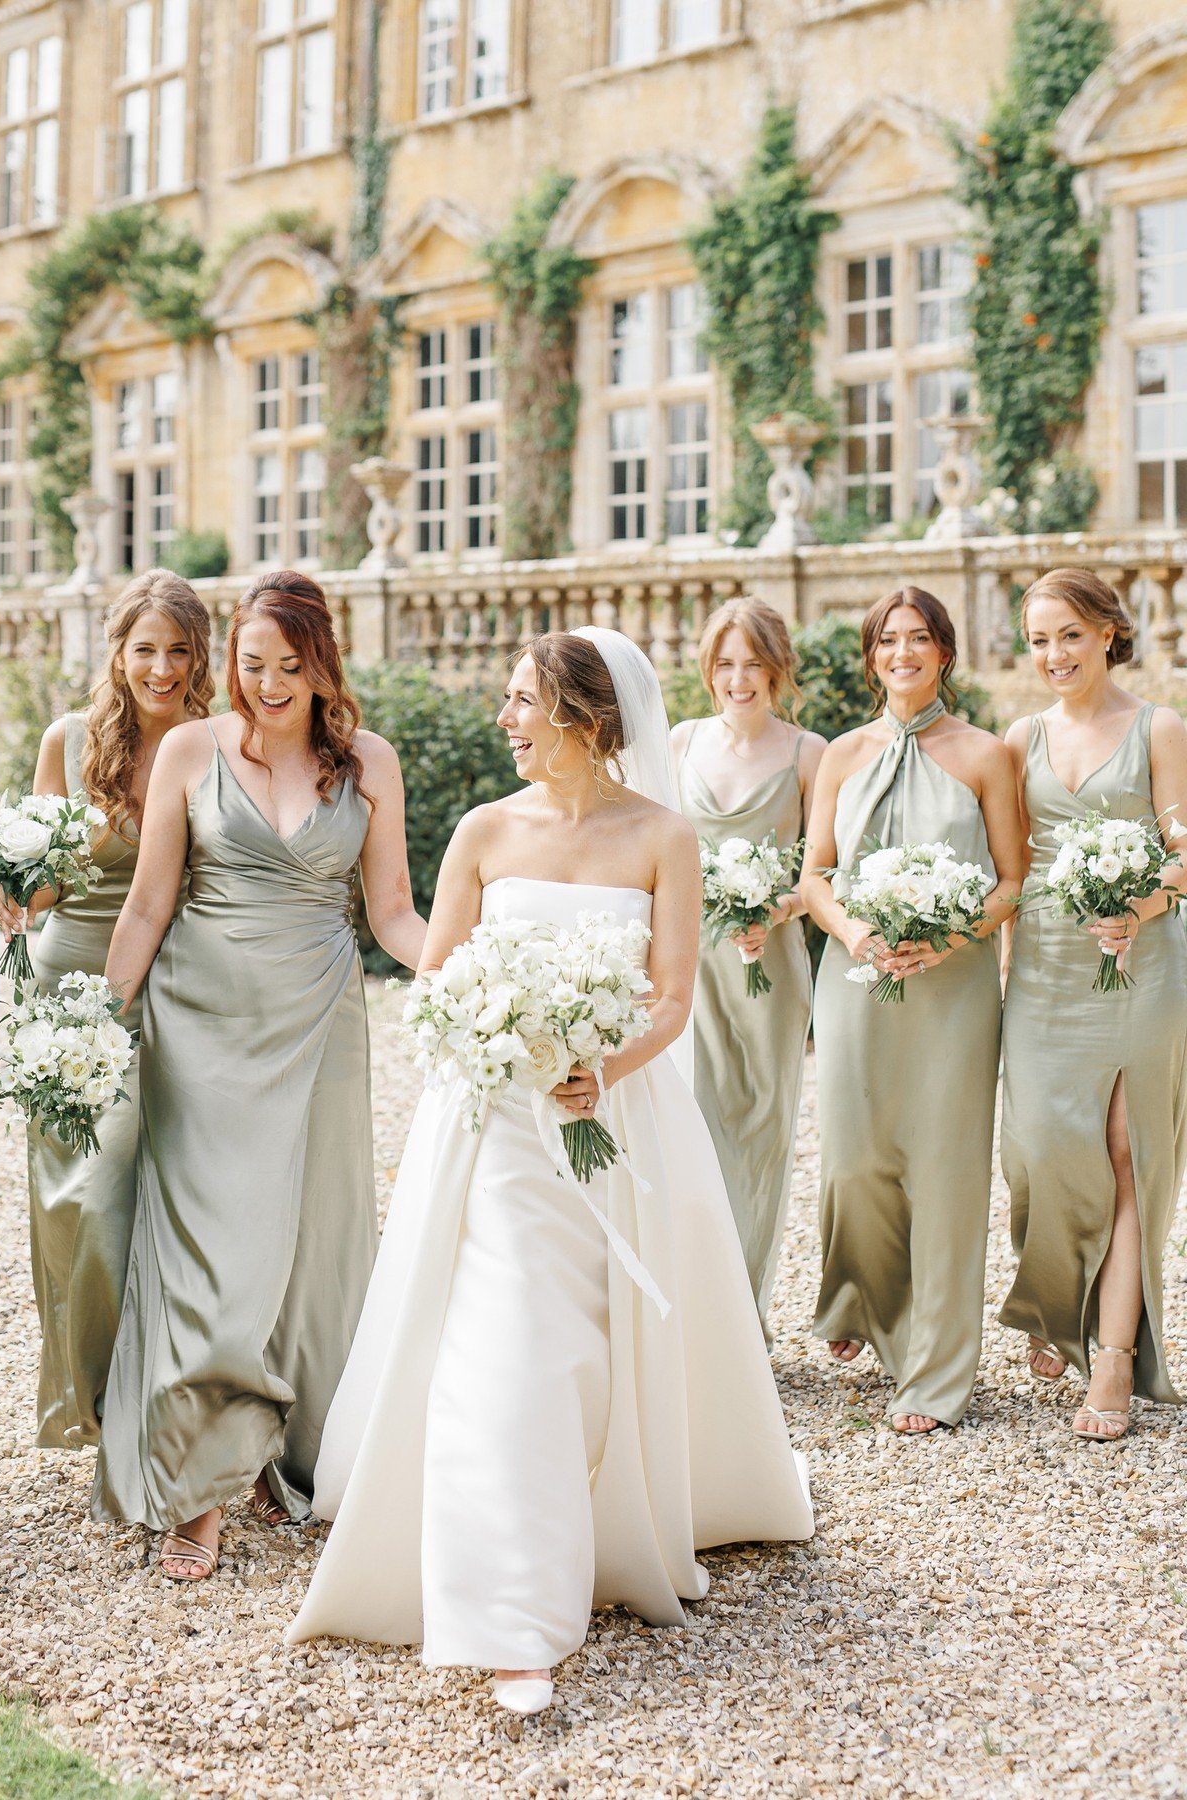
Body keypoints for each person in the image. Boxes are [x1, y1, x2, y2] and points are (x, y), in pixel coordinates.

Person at [288, 627, 813, 1716]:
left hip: (615, 1125)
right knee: (508, 1339)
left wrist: (598, 1063)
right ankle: (512, 1616)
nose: (506, 721)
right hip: (494, 1136)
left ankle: (604, 1519)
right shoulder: (483, 831)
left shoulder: (665, 837)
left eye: (524, 702)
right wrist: (499, 1036)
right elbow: (434, 987)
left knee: (594, 1340)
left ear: (587, 717)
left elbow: (673, 996)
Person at [95, 570, 425, 1580]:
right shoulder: (192, 751)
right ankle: (200, 1484)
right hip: (200, 1028)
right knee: (210, 1250)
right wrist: (100, 1022)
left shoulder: (369, 762)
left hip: (321, 1022)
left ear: (325, 665)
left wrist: (491, 972)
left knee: (316, 1236)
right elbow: (150, 904)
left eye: (290, 666)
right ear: (228, 663)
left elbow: (396, 916)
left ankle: (301, 1448)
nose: (270, 684)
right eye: (251, 665)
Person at [0, 571, 215, 1451]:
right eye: (144, 649)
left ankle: (154, 1391)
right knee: (75, 1198)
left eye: (178, 650)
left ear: (200, 656)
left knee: (157, 1190)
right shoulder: (69, 741)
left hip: (175, 987)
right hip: (65, 986)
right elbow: (47, 885)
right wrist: (15, 886)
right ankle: (86, 1392)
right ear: (116, 653)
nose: (160, 667)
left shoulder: (216, 744)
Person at [801, 586, 1024, 1434]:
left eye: (920, 638)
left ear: (945, 654)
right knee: (855, 1164)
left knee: (947, 1172)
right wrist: (855, 934)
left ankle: (935, 1377)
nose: (904, 653)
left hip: (953, 987)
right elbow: (815, 875)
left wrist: (951, 935)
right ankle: (875, 1312)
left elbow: (1012, 880)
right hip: (855, 983)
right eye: (889, 640)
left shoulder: (984, 756)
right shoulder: (842, 755)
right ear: (871, 656)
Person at [1000, 567, 1187, 1442]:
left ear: (1109, 631)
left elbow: (1185, 853)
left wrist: (1143, 904)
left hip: (1142, 964)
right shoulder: (1019, 737)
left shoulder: (1160, 728)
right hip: (1042, 967)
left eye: (1069, 634)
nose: (1054, 654)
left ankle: (1113, 1358)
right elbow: (1005, 864)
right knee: (1039, 1150)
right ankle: (1052, 1301)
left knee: (1125, 1149)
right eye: (1039, 640)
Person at [672, 597, 825, 1334]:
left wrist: (779, 912)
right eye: (725, 663)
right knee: (695, 1127)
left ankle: (745, 1314)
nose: (739, 678)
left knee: (764, 1131)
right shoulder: (680, 744)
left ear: (777, 668)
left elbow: (829, 873)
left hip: (773, 966)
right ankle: (701, 1311)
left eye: (754, 663)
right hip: (690, 965)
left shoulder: (808, 754)